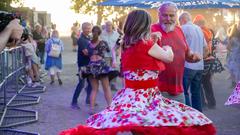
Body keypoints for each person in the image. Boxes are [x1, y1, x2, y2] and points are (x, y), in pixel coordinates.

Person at [60, 9, 215, 135]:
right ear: (145, 25)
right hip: (146, 99)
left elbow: (141, 55)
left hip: (131, 97)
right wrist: (167, 47)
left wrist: (153, 39)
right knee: (181, 121)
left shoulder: (127, 45)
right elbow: (169, 57)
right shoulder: (147, 45)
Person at [151, 1, 201, 103]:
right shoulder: (151, 30)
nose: (168, 19)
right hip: (158, 91)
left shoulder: (179, 30)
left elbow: (187, 53)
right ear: (158, 15)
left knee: (182, 118)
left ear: (176, 16)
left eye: (171, 15)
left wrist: (193, 56)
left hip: (179, 90)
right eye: (165, 15)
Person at [83, 26, 117, 114]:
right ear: (100, 33)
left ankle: (92, 108)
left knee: (94, 89)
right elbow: (109, 50)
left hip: (91, 66)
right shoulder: (103, 43)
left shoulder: (89, 43)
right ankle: (110, 107)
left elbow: (87, 53)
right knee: (106, 88)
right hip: (101, 66)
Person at [179, 12, 208, 112]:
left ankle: (188, 115)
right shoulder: (199, 29)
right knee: (196, 92)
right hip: (199, 66)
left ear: (182, 20)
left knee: (184, 92)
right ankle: (198, 115)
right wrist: (201, 58)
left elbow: (179, 46)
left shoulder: (183, 28)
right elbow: (205, 48)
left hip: (187, 65)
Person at [193, 14, 217, 109]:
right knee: (207, 83)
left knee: (198, 83)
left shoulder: (200, 31)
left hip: (203, 59)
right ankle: (212, 103)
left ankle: (202, 103)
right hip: (209, 59)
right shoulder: (208, 31)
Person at [71, 22, 92, 109]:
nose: (88, 30)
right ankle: (74, 102)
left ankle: (88, 99)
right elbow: (86, 53)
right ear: (83, 29)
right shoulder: (81, 40)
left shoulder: (89, 38)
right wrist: (96, 53)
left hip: (90, 64)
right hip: (83, 65)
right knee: (81, 84)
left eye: (89, 28)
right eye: (86, 28)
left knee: (90, 83)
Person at [100, 21, 120, 91]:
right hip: (105, 55)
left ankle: (113, 84)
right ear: (105, 26)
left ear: (112, 26)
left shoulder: (116, 34)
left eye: (110, 25)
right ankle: (106, 84)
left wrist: (118, 50)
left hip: (114, 55)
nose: (108, 26)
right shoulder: (101, 34)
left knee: (114, 69)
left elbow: (119, 44)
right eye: (107, 25)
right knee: (106, 69)